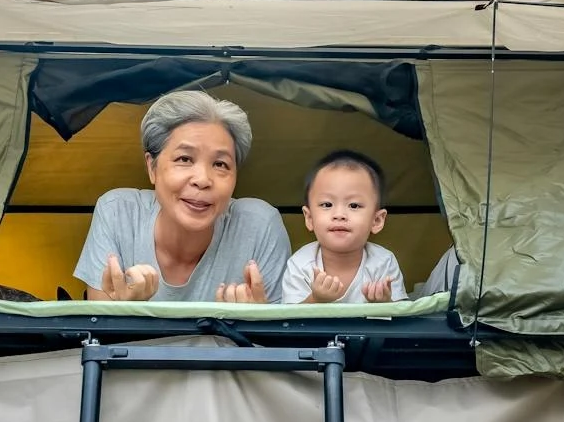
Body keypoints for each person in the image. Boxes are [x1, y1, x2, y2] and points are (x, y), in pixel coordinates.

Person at [74, 89, 290, 302]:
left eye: (220, 164)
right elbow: (98, 331)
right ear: (152, 167)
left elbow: (284, 334)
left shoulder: (260, 225)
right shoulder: (117, 212)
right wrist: (127, 314)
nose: (203, 179)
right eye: (185, 159)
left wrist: (258, 324)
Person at [281, 150, 408, 304]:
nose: (339, 214)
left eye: (354, 205)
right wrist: (315, 300)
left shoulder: (383, 262)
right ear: (309, 218)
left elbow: (401, 319)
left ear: (377, 220)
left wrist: (384, 303)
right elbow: (289, 323)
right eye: (327, 204)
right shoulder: (300, 264)